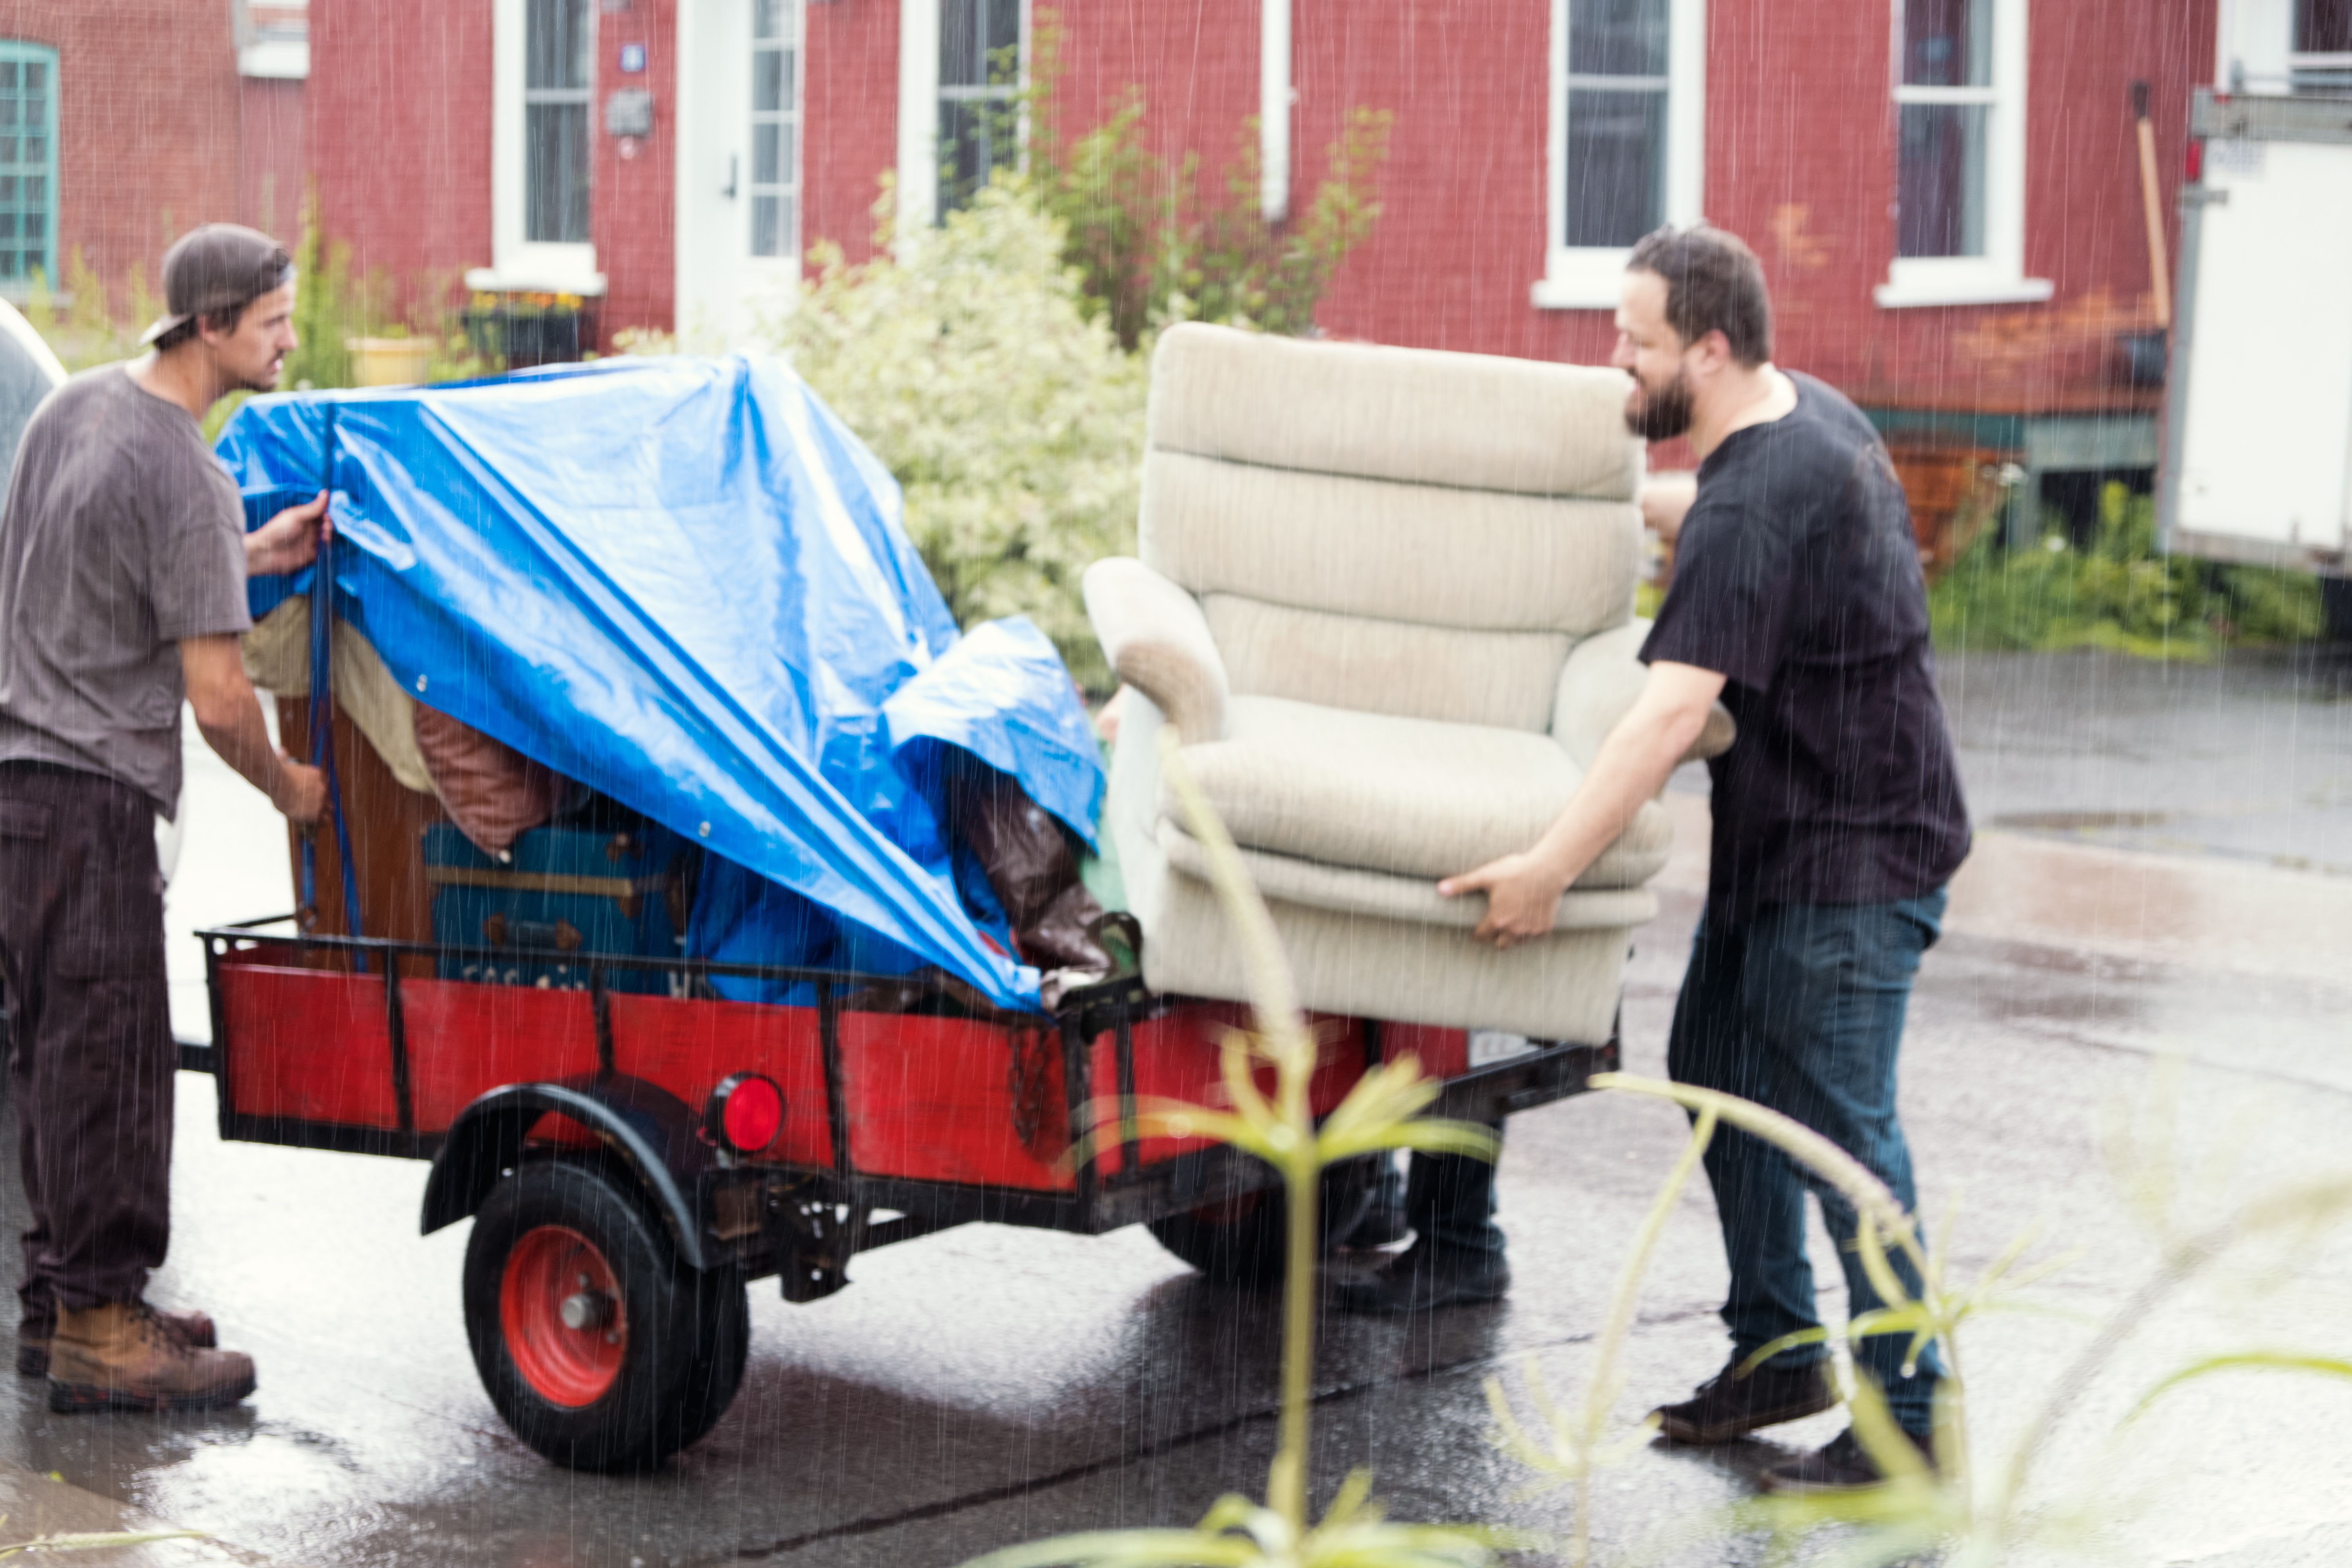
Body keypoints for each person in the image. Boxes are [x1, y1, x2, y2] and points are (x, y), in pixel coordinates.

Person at [1436, 225, 1970, 1492]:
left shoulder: (1751, 508)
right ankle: (1780, 1350)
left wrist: (1550, 868)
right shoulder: (1801, 417)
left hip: (1856, 859)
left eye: (1639, 343)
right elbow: (1712, 505)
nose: (1617, 362)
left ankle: (1912, 1423)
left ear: (1710, 350)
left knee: (1842, 1139)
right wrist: (1613, 503)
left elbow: (1668, 716)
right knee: (1721, 1073)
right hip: (1802, 838)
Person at [0, 223, 330, 1412]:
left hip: (17, 795)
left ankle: (60, 1305)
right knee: (113, 1065)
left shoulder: (73, 410)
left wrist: (248, 554)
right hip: (93, 805)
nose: (288, 340)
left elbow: (102, 559)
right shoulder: (189, 473)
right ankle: (104, 1331)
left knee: (52, 1059)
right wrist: (292, 788)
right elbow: (221, 699)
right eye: (272, 321)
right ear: (211, 325)